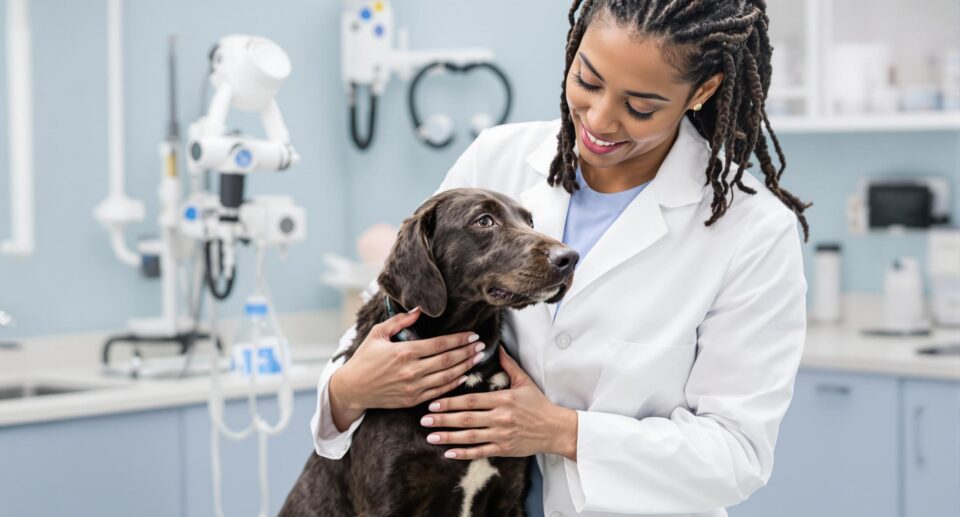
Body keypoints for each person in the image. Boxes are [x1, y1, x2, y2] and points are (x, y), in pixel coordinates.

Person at [311, 1, 810, 515]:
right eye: (587, 82)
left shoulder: (754, 233)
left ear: (701, 92)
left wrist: (561, 431)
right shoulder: (496, 159)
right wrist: (346, 392)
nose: (599, 120)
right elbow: (391, 312)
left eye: (640, 107)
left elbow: (735, 455)